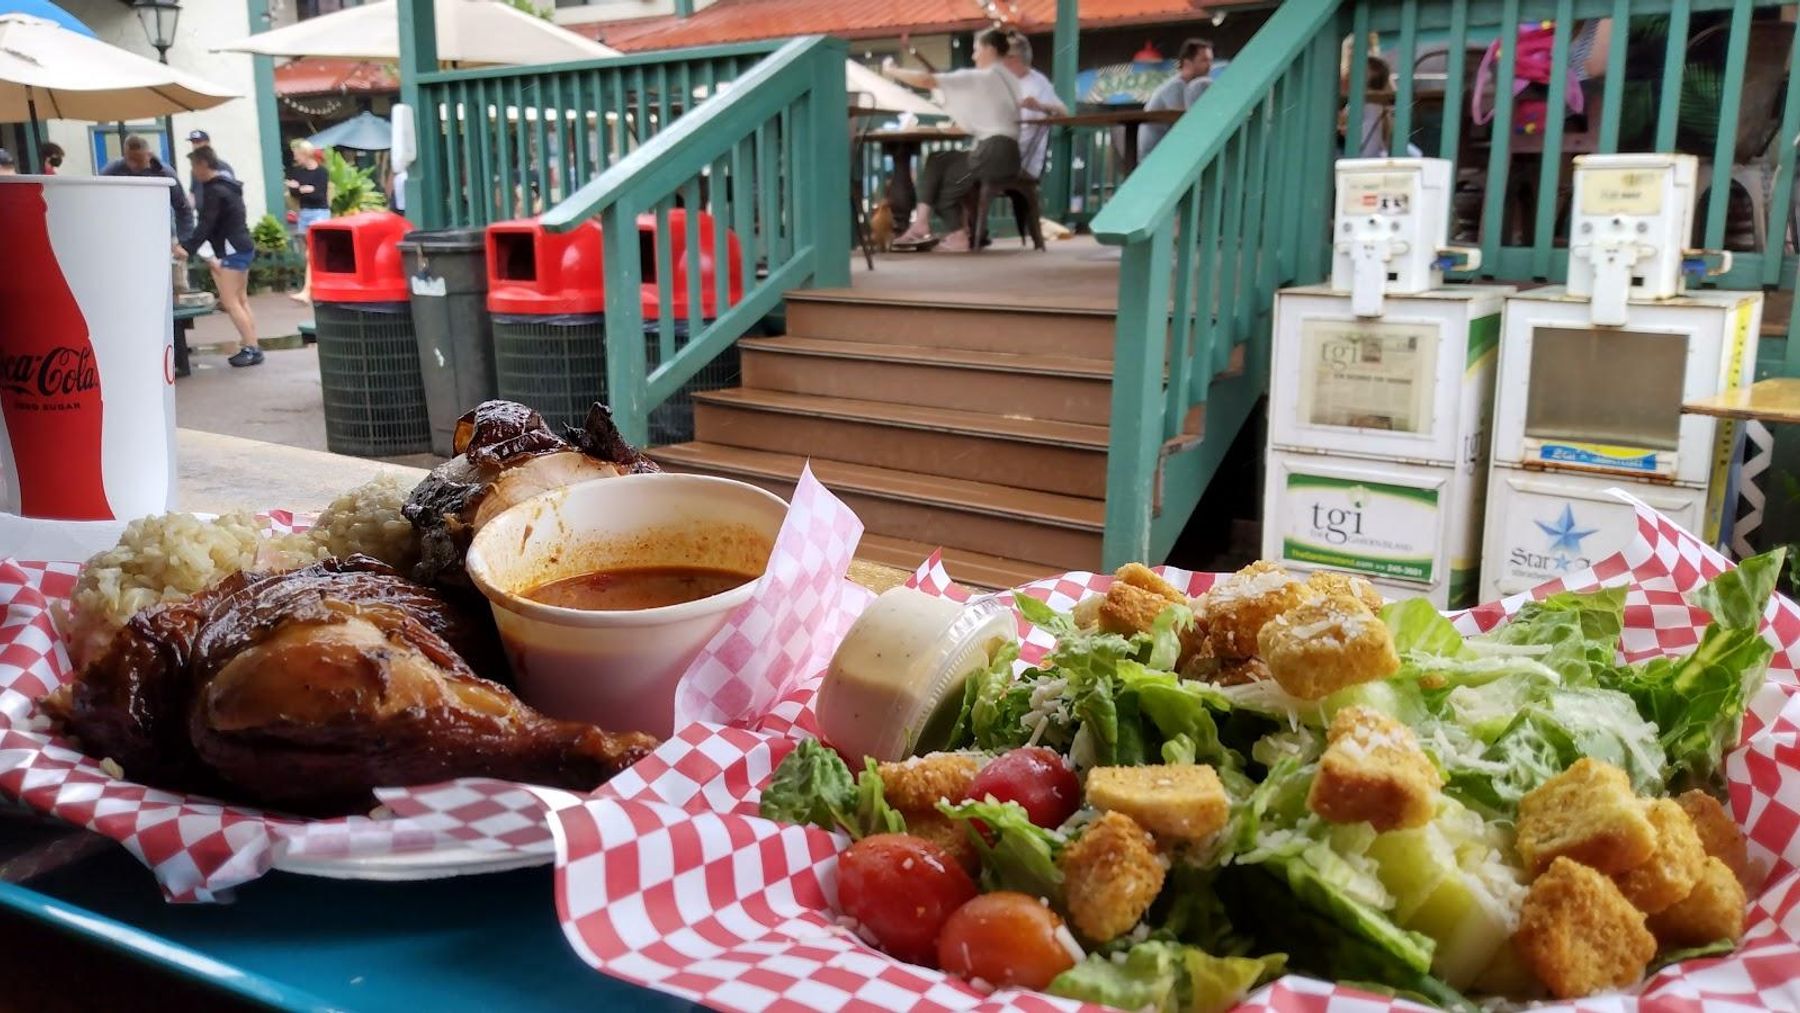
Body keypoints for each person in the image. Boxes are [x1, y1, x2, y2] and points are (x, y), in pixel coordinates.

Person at [883, 29, 1025, 252]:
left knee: (945, 190)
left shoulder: (984, 76)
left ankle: (957, 236)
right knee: (938, 158)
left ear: (989, 49)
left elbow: (926, 80)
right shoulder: (1008, 79)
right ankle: (920, 222)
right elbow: (984, 115)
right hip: (1008, 154)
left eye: (976, 50)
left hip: (992, 154)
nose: (973, 56)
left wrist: (891, 70)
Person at [176, 147, 262, 368]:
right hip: (242, 245)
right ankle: (253, 345)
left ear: (204, 164)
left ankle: (251, 348)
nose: (194, 172)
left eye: (194, 167)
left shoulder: (215, 191)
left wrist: (188, 246)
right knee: (241, 299)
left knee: (230, 301)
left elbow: (207, 223)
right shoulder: (229, 186)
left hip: (231, 248)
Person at [101, 135, 195, 240]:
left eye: (138, 160)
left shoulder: (165, 173)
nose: (133, 165)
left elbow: (182, 208)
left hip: (158, 232)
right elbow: (98, 198)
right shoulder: (113, 170)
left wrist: (185, 241)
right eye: (129, 159)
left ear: (149, 155)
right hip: (123, 232)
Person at [1003, 33, 1069, 181]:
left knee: (962, 169)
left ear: (1014, 59)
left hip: (1023, 161)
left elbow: (1065, 113)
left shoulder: (1038, 82)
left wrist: (1039, 106)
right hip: (1001, 152)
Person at [1139, 38, 1214, 160]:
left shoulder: (1189, 87)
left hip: (1165, 154)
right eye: (1204, 60)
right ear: (1187, 63)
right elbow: (1184, 126)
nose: (1210, 65)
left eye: (1211, 60)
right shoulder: (1176, 87)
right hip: (1155, 157)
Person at [287, 140, 331, 304]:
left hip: (319, 213)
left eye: (298, 155)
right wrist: (302, 189)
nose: (296, 158)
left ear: (306, 154)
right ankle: (316, 287)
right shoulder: (298, 172)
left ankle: (307, 291)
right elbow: (293, 192)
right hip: (304, 213)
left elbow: (319, 195)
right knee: (309, 255)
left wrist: (303, 189)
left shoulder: (322, 172)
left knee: (311, 253)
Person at [186, 129, 235, 214]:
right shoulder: (195, 170)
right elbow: (193, 193)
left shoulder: (222, 167)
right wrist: (185, 210)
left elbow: (229, 195)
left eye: (198, 142)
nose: (195, 146)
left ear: (208, 144)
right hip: (203, 217)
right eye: (193, 143)